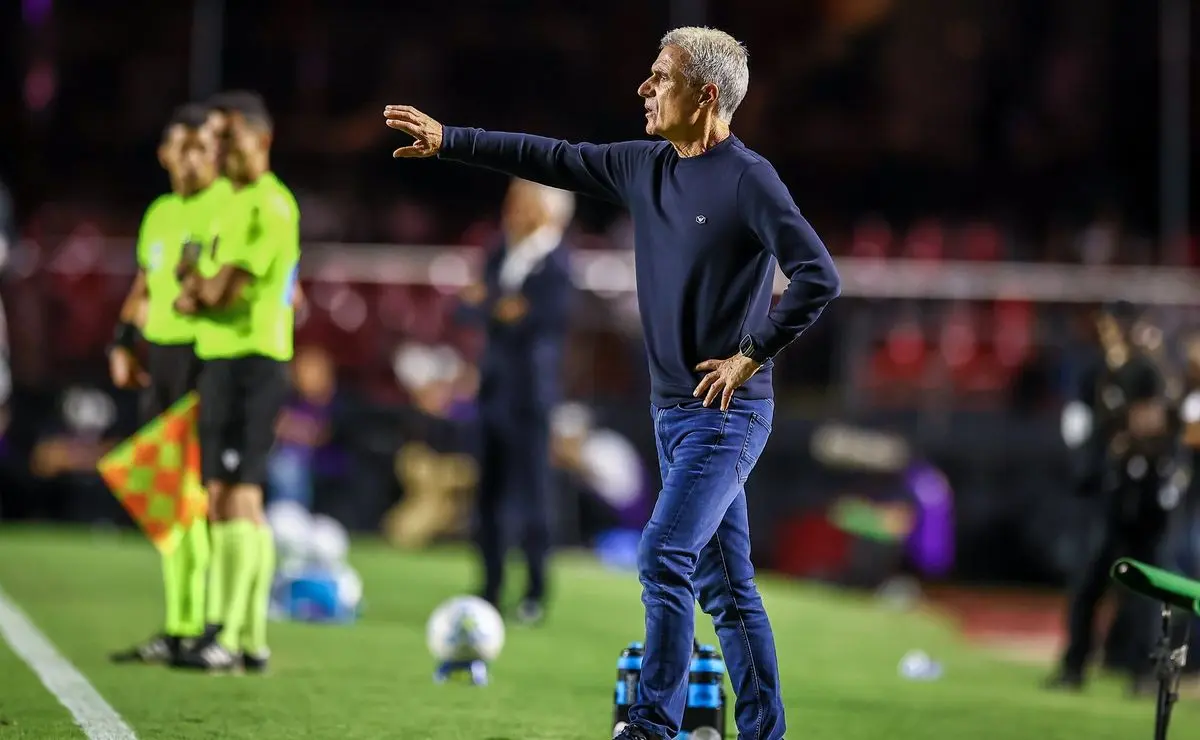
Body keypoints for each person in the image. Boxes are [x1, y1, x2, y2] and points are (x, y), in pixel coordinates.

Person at [385, 26, 840, 740]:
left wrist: (752, 354)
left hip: (727, 413)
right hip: (673, 415)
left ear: (707, 94)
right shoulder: (646, 166)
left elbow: (819, 275)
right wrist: (451, 139)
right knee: (726, 589)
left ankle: (651, 726)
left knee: (664, 554)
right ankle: (763, 731)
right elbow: (549, 157)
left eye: (661, 76)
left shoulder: (749, 178)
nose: (644, 88)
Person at [174, 92, 300, 673]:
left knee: (241, 495)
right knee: (223, 496)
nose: (222, 151)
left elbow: (217, 291)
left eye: (231, 139)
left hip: (256, 359)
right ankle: (245, 640)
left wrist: (198, 288)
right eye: (217, 140)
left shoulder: (272, 206)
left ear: (262, 140)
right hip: (221, 356)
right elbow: (194, 277)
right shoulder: (229, 201)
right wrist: (200, 286)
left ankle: (232, 633)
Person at [108, 103, 230, 666]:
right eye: (185, 147)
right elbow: (144, 282)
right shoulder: (159, 213)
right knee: (166, 495)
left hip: (204, 356)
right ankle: (177, 624)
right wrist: (121, 342)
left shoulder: (224, 207)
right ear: (164, 154)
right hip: (161, 359)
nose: (195, 158)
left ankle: (204, 625)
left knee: (195, 497)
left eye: (204, 147)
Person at [456, 178, 575, 624]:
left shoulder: (557, 264)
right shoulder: (500, 250)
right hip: (493, 391)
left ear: (546, 210)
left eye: (521, 202)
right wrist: (499, 307)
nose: (511, 210)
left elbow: (534, 320)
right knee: (488, 494)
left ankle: (535, 592)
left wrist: (491, 304)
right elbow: (468, 308)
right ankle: (489, 586)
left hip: (530, 397)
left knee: (533, 495)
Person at [1049, 301, 1184, 694]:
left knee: (1142, 585)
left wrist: (1126, 437)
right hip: (1111, 490)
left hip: (1143, 494)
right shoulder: (1103, 370)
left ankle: (1142, 672)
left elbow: (1154, 424)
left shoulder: (1144, 369)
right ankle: (1076, 665)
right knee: (1091, 581)